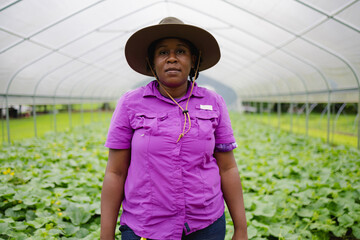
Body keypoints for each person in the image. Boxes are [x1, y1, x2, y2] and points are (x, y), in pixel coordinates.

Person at [101, 17, 248, 240]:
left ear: (193, 60)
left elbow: (227, 168)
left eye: (180, 51)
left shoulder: (214, 102)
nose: (171, 58)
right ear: (152, 62)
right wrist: (106, 235)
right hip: (145, 226)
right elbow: (116, 172)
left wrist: (241, 229)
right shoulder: (131, 103)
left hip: (205, 225)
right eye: (162, 53)